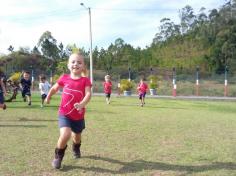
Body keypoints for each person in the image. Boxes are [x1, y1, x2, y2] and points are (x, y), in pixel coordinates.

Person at [45, 53, 92, 169]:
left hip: (78, 116)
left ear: (83, 66)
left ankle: (76, 147)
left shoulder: (85, 80)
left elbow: (89, 94)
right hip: (64, 114)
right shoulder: (64, 78)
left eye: (79, 62)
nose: (76, 64)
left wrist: (82, 104)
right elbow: (55, 88)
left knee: (77, 137)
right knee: (65, 134)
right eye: (73, 62)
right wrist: (48, 96)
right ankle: (58, 156)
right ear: (68, 65)